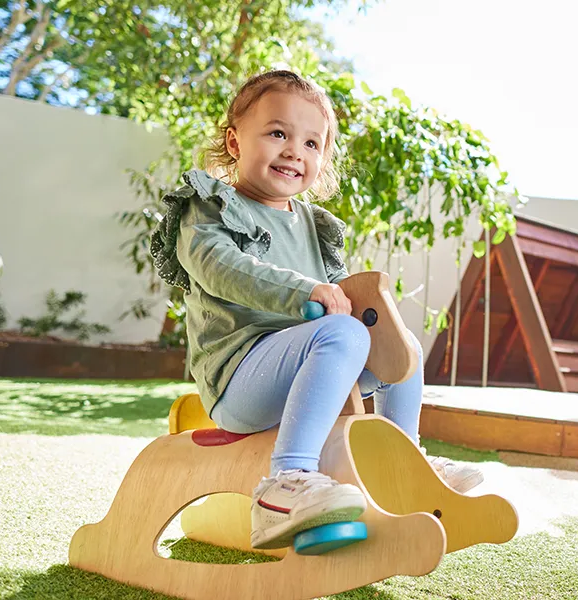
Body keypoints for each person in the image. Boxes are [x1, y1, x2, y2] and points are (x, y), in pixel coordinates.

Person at [149, 69, 482, 551]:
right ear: (235, 141)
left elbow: (338, 296)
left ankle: (403, 458)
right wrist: (305, 290)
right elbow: (222, 268)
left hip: (304, 369)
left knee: (399, 343)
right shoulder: (210, 207)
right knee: (343, 334)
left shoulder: (313, 223)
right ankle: (285, 483)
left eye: (311, 143)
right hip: (240, 381)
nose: (293, 151)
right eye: (278, 133)